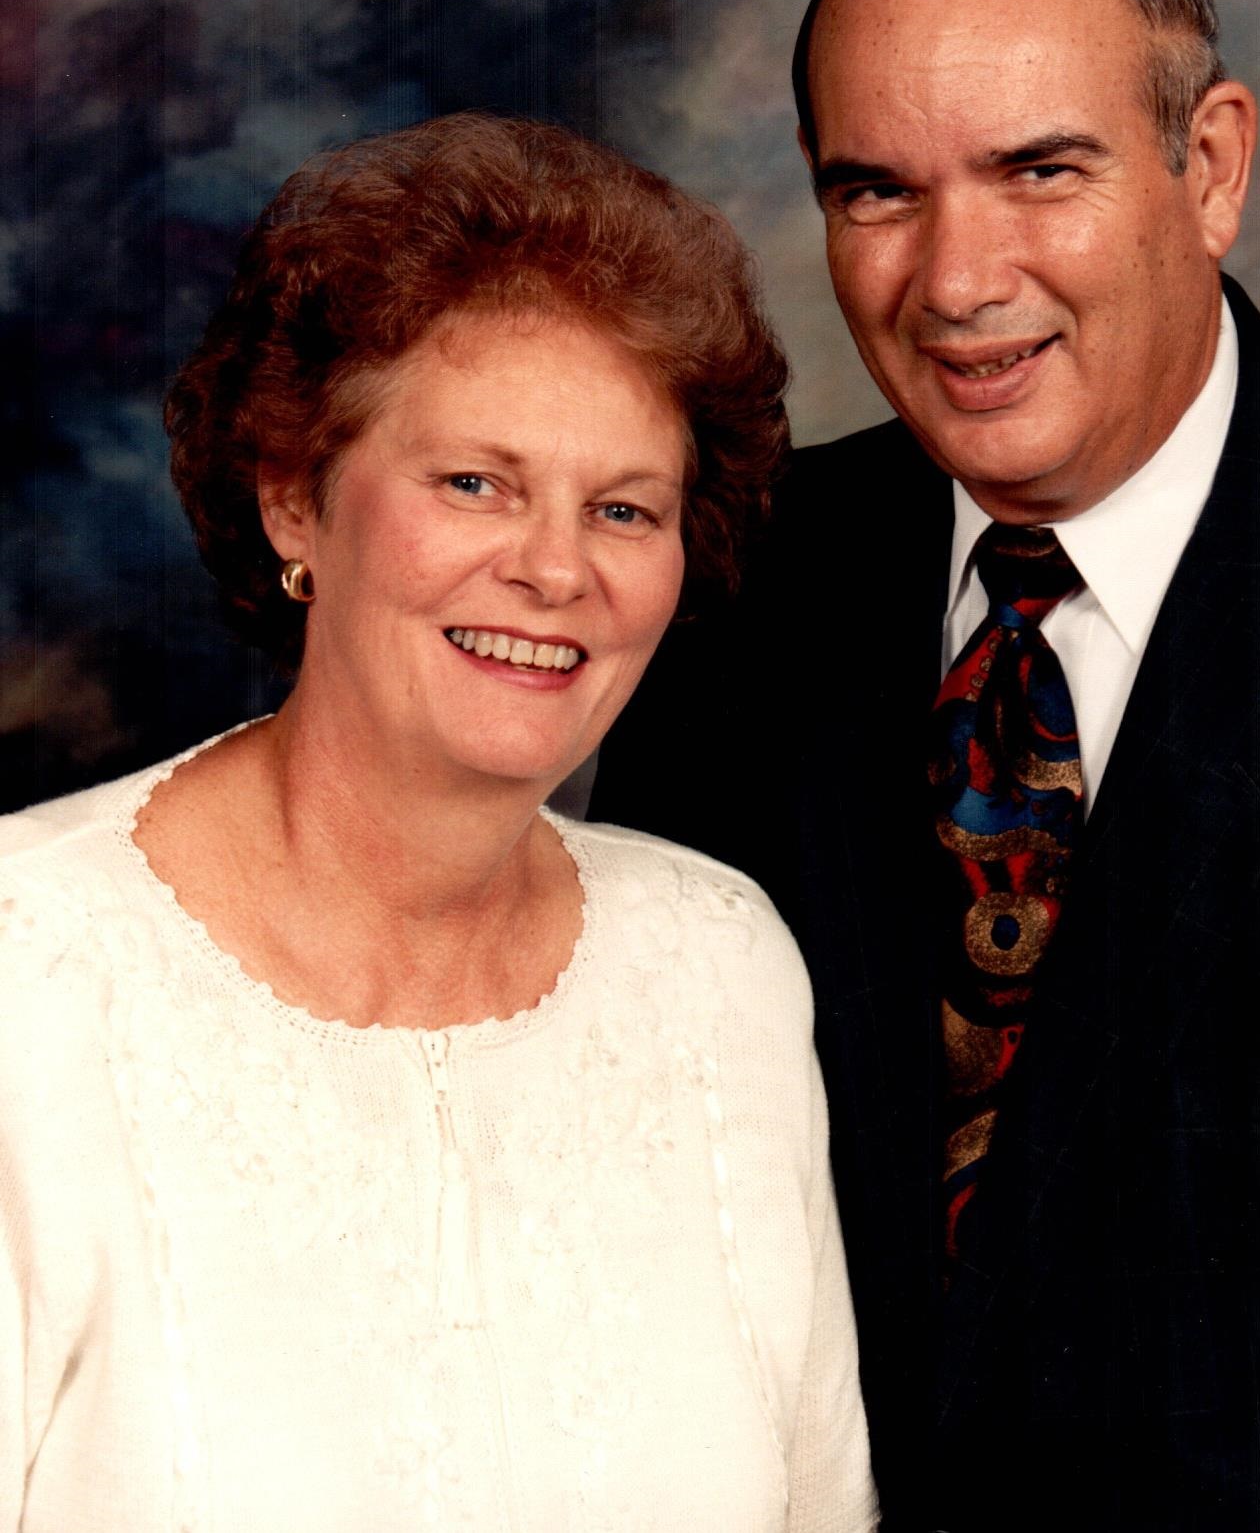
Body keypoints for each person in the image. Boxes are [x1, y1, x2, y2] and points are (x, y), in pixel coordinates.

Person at [592, 0, 1260, 1529]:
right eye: (879, 191)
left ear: (1210, 166)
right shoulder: (726, 585)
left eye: (1039, 171)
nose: (957, 281)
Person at [0, 113, 877, 1530]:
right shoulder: (28, 971)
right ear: (295, 498)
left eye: (625, 510)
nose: (555, 569)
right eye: (476, 483)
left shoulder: (722, 964)